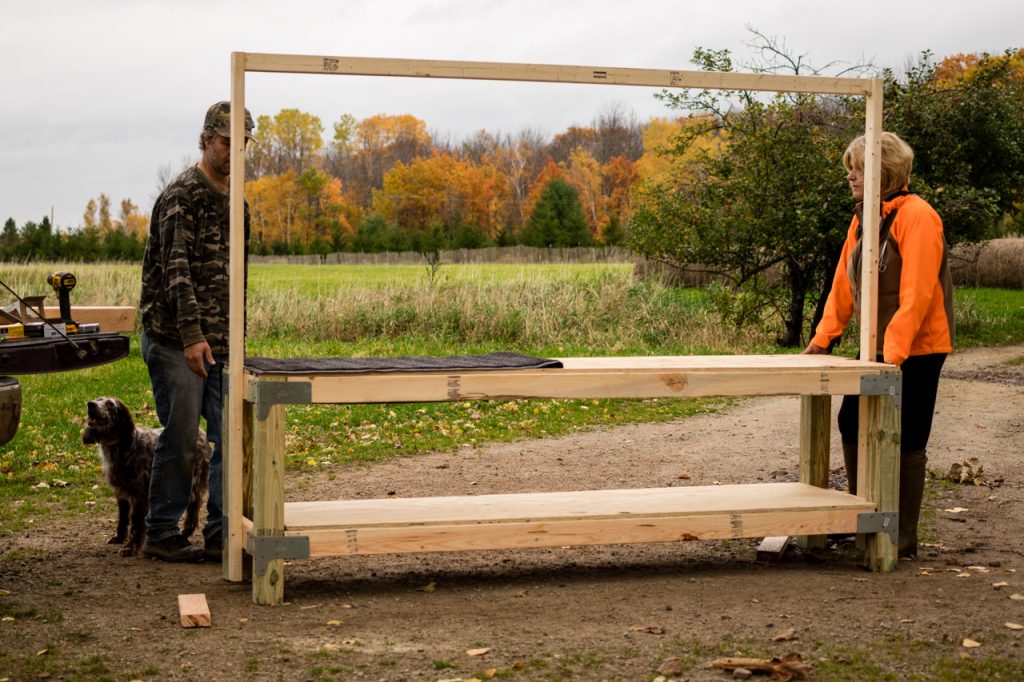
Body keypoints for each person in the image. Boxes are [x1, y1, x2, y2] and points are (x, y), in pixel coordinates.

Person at [804, 131, 954, 559]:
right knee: (852, 421)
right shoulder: (864, 217)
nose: (850, 176)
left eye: (858, 168)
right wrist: (823, 338)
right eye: (850, 168)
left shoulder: (918, 215)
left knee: (907, 436)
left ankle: (900, 536)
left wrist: (894, 356)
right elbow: (842, 285)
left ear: (883, 170)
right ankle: (866, 520)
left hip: (919, 347)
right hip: (878, 346)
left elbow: (918, 293)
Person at [139, 101, 252, 562]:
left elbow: (237, 276)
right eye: (226, 143)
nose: (234, 152)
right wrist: (190, 336)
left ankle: (223, 534)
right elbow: (176, 272)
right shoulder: (181, 195)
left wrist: (235, 338)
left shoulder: (237, 201)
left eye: (242, 144)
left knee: (230, 436)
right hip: (173, 338)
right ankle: (162, 531)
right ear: (205, 140)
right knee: (184, 437)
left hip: (222, 342)